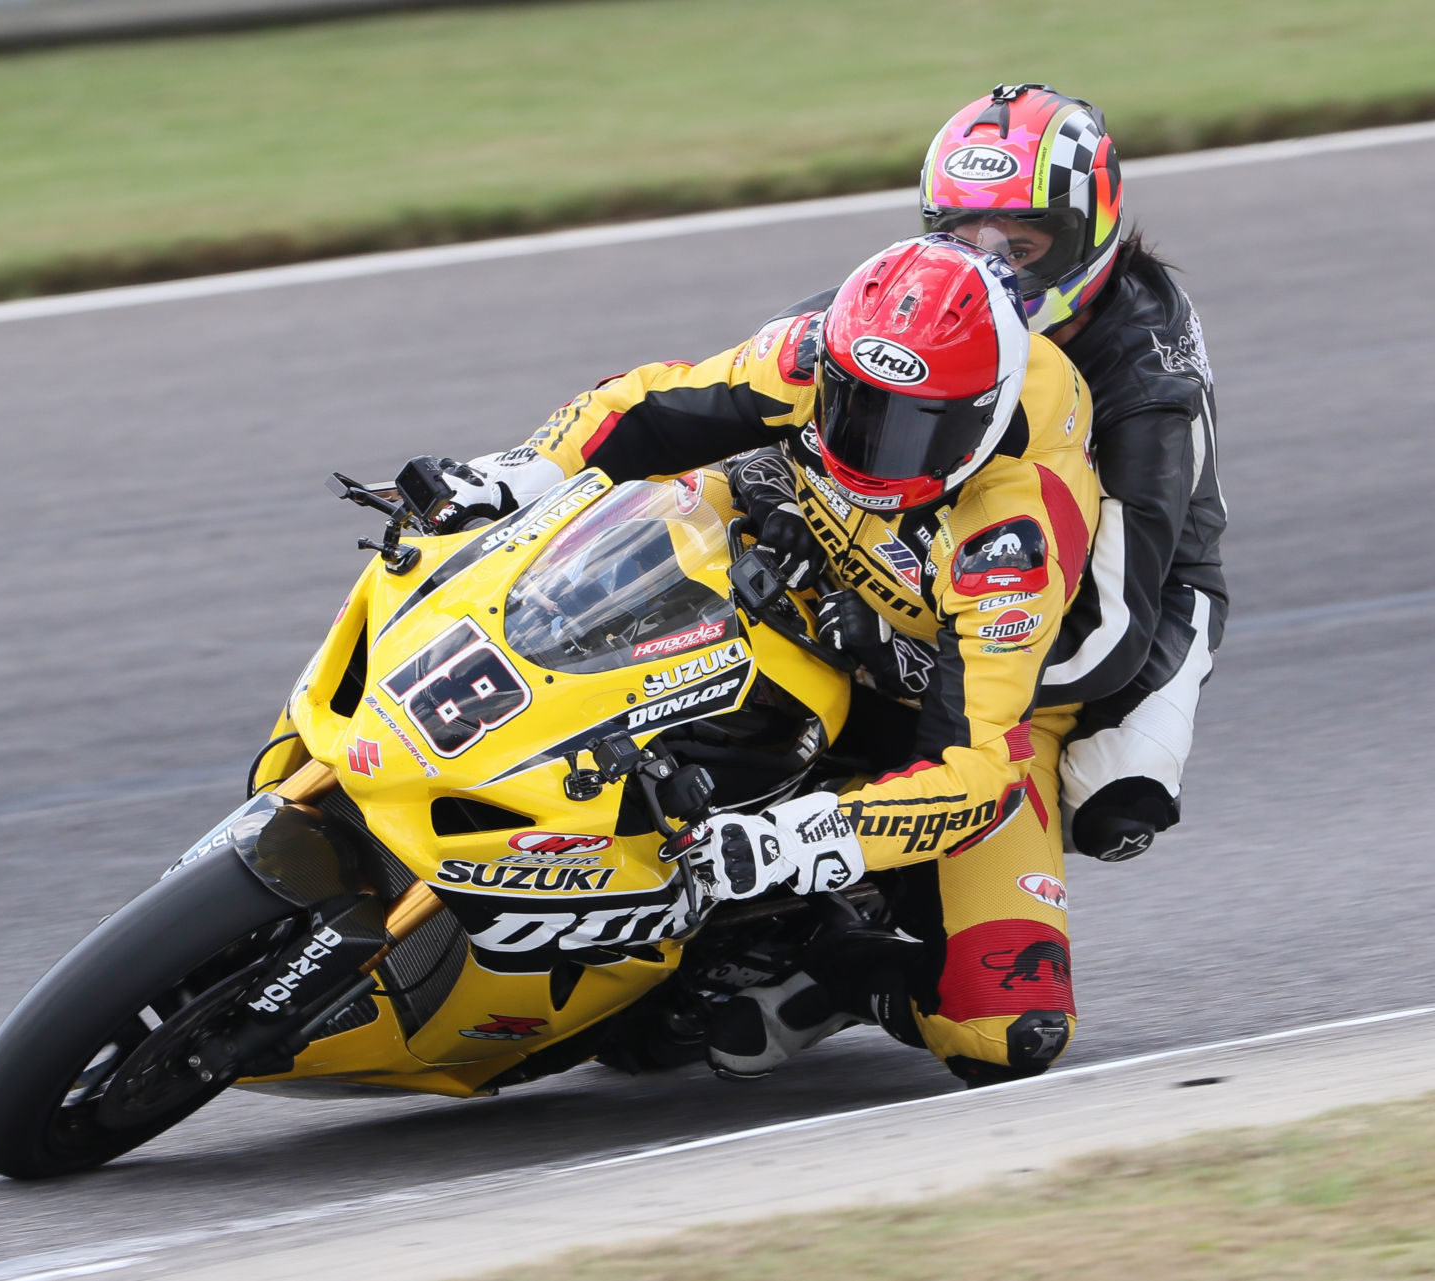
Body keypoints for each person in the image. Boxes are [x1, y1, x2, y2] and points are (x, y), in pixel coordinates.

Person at [436, 233, 1101, 1086]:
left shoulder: (1012, 537)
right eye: (853, 405)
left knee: (1004, 1026)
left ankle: (831, 962)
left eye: (908, 428)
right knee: (593, 544)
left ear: (977, 417)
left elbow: (973, 764)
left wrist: (803, 841)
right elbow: (649, 403)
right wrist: (512, 474)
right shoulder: (821, 349)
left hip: (950, 689)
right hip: (775, 541)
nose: (867, 442)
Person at [771, 82, 1228, 864]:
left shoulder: (1146, 391)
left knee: (1114, 801)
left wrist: (912, 660)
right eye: (961, 233)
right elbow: (794, 354)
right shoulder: (944, 293)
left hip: (1122, 588)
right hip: (963, 515)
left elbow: (1111, 632)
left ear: (1089, 233)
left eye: (1020, 246)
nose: (987, 263)